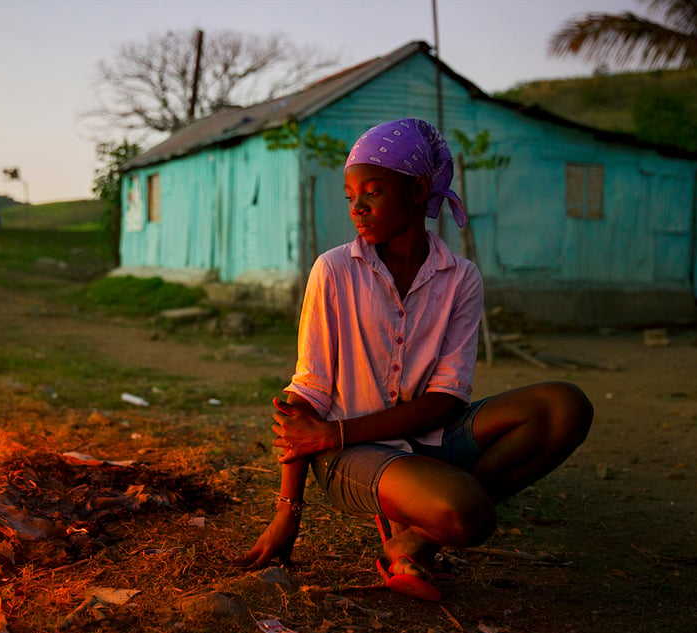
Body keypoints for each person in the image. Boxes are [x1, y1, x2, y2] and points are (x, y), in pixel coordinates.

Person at [237, 118, 593, 602]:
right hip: (352, 456)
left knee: (564, 405)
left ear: (419, 189)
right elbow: (311, 392)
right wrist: (287, 514)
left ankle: (414, 538)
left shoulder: (460, 278)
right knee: (469, 514)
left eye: (373, 191)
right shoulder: (335, 271)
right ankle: (429, 508)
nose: (358, 207)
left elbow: (448, 398)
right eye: (350, 196)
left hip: (431, 437)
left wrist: (335, 431)